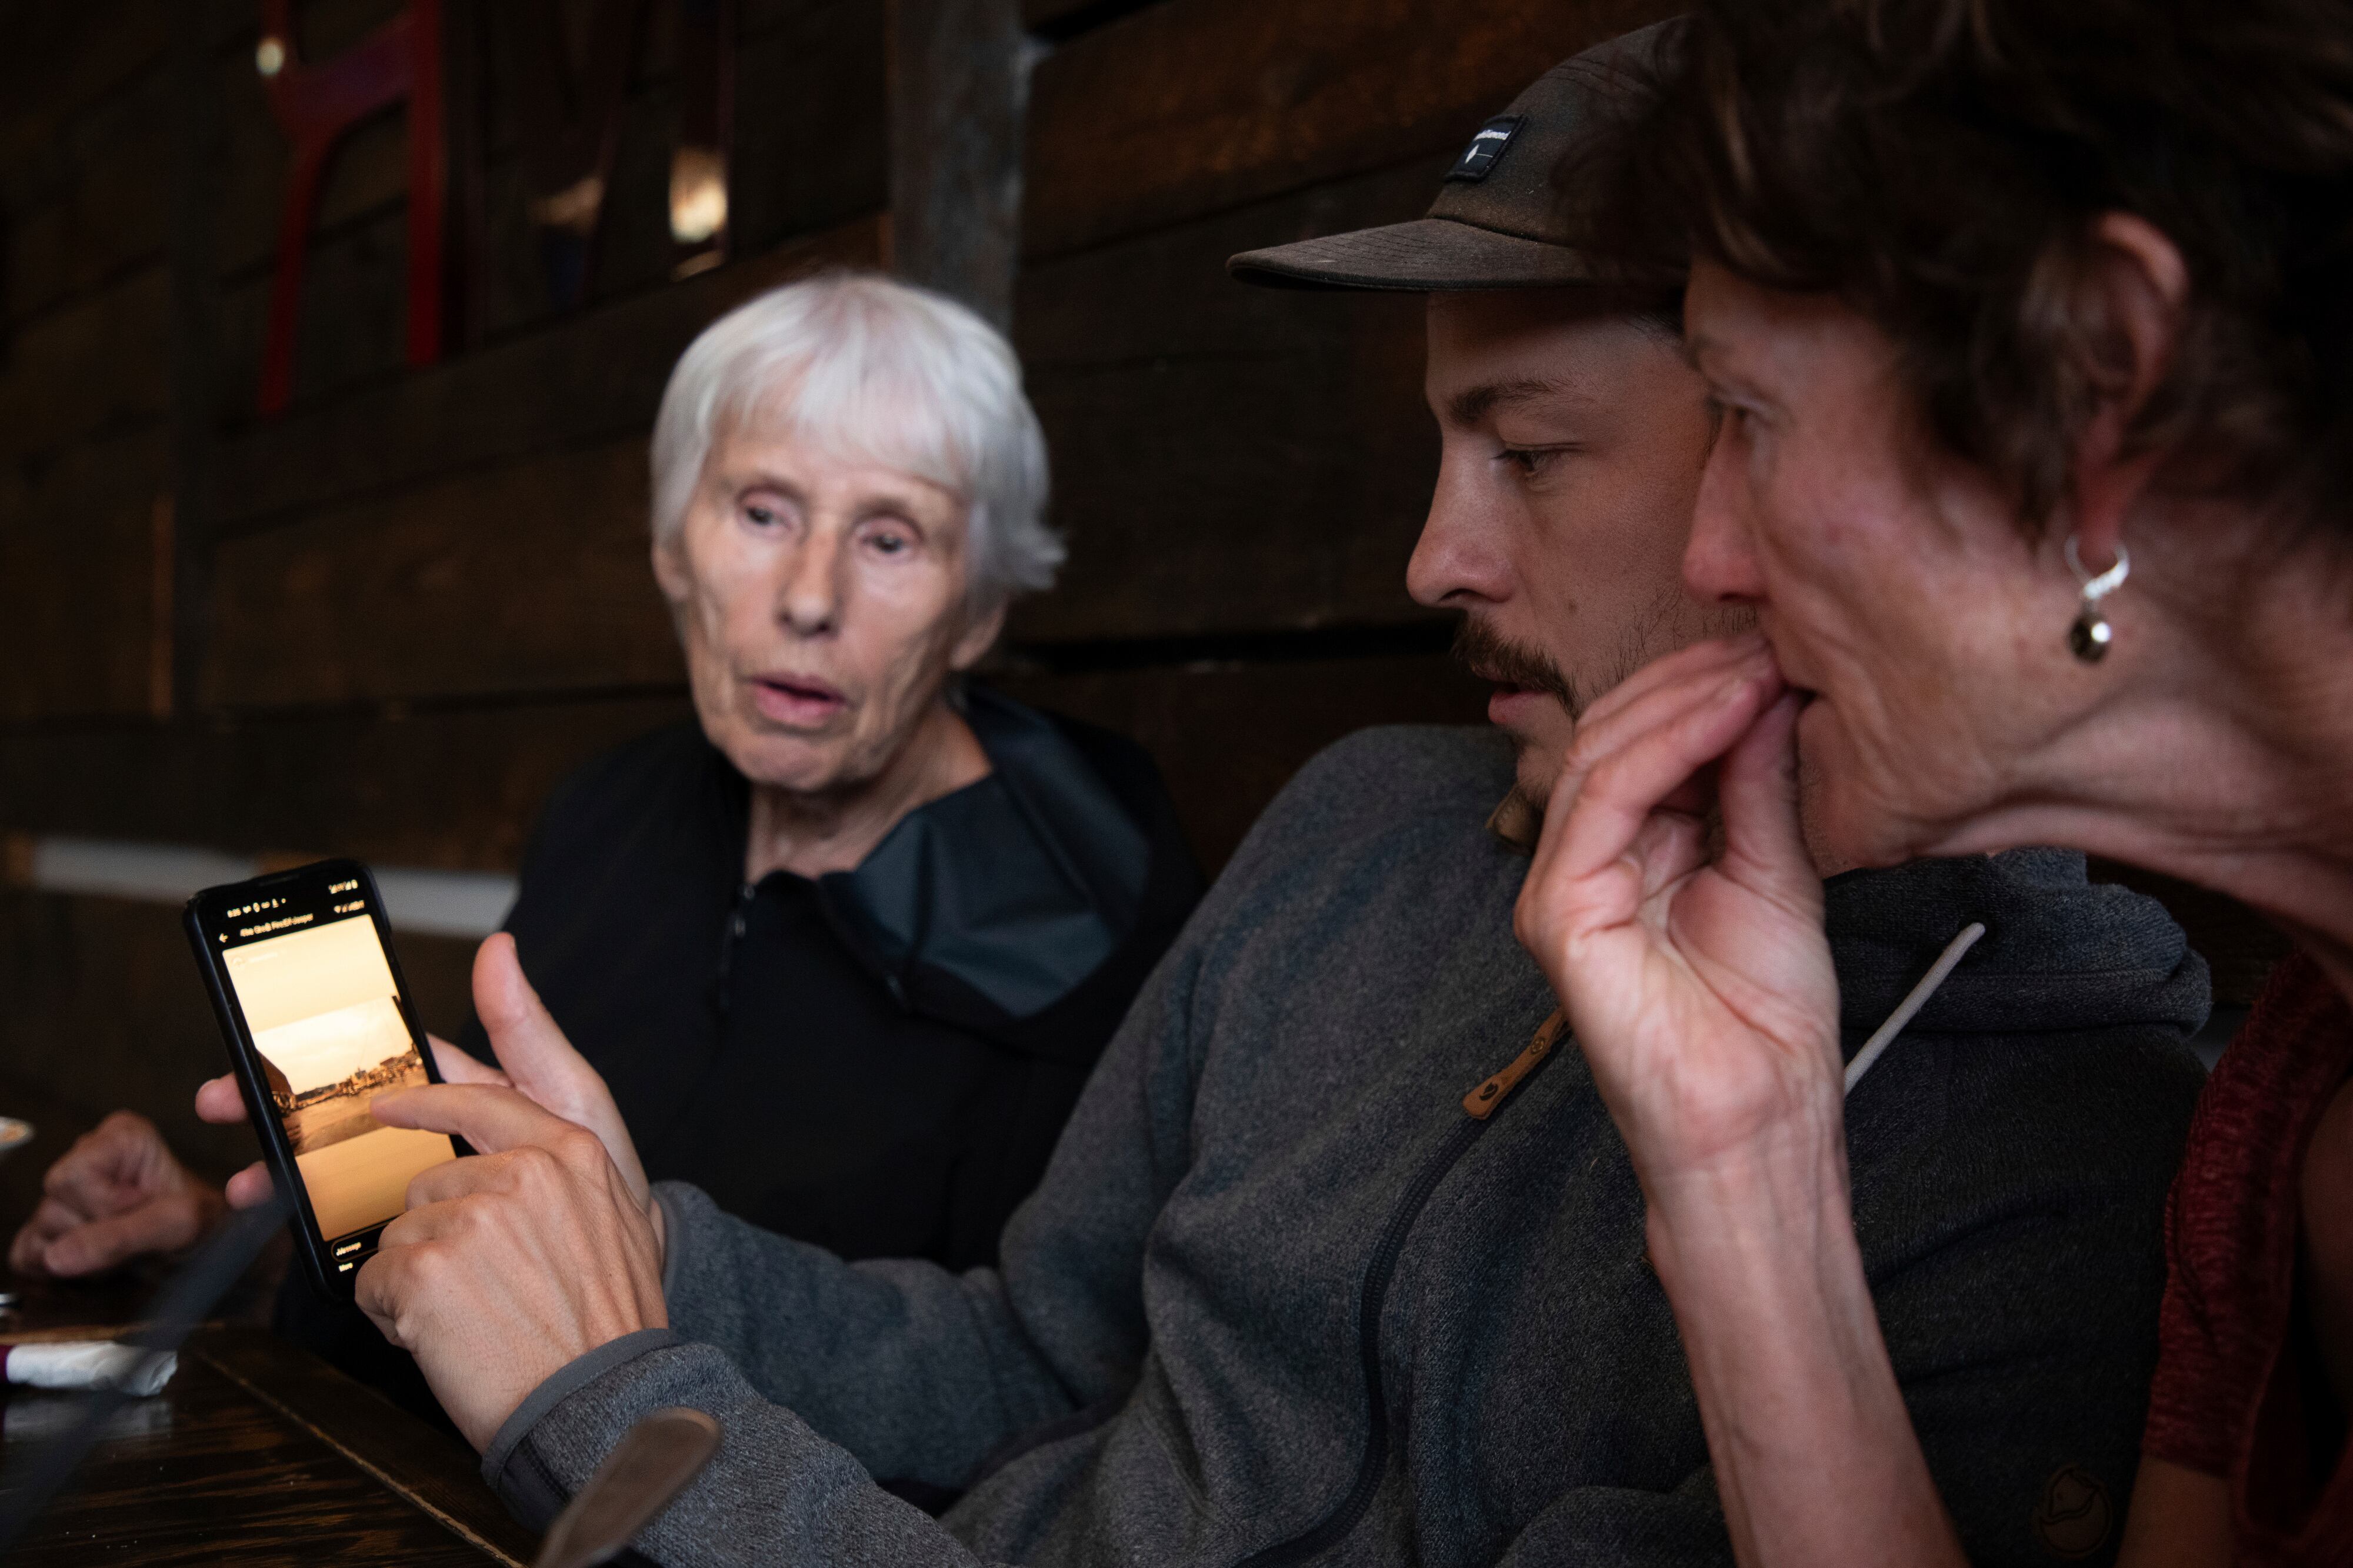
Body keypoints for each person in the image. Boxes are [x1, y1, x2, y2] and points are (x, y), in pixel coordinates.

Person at [212, 37, 2206, 1565]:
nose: (1432, 559)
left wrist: (615, 1387)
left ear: (1781, 456)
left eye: (1528, 451)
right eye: (755, 515)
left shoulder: (2053, 1117)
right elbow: (1032, 1350)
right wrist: (620, 1228)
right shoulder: (1368, 820)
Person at [13, 275, 1201, 1436]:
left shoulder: (1088, 912)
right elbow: (480, 1264)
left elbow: (1036, 1402)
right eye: (762, 513)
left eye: (889, 538)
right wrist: (234, 1251)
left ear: (980, 609)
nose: (808, 596)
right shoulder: (610, 811)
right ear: (672, 547)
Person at [1493, 4, 2353, 1566]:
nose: (1709, 558)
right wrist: (1743, 1173)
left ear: (2100, 382)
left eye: (1747, 415)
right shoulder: (2288, 1102)